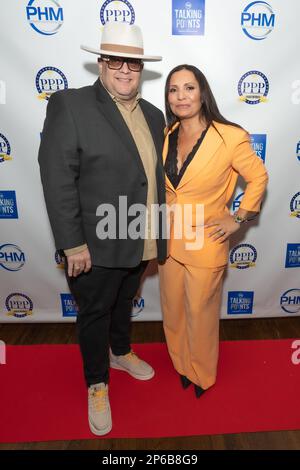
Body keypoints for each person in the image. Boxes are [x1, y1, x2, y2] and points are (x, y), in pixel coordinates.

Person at [38, 22, 166, 435]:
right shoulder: (70, 105)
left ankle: (121, 351)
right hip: (93, 243)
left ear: (141, 66)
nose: (125, 70)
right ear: (101, 63)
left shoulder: (153, 114)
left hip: (140, 235)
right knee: (95, 312)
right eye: (115, 61)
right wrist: (73, 243)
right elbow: (57, 176)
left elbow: (152, 178)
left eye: (132, 62)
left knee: (124, 302)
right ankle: (97, 382)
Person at [159, 64, 268, 398]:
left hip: (205, 240)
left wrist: (238, 218)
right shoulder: (167, 133)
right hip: (169, 240)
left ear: (202, 92)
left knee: (200, 313)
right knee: (172, 308)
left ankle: (202, 374)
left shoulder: (230, 136)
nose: (181, 96)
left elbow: (258, 178)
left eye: (189, 88)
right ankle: (181, 364)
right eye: (174, 89)